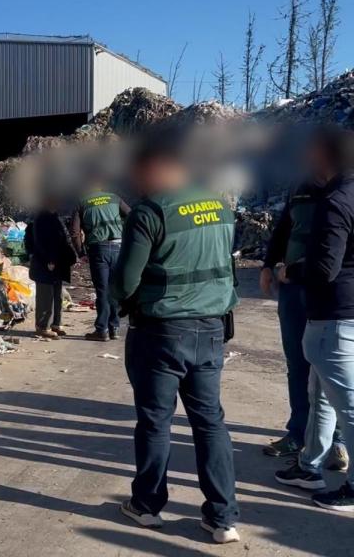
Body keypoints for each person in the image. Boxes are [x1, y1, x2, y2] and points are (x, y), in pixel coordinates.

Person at [110, 135, 241, 543]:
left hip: (162, 332)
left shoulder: (150, 212)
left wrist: (119, 299)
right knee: (210, 422)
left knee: (155, 421)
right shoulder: (220, 206)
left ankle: (147, 506)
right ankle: (222, 518)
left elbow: (125, 281)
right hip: (212, 328)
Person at [273, 126, 354, 511]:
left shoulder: (335, 200)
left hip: (334, 314)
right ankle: (310, 466)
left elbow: (324, 268)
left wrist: (291, 271)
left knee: (347, 404)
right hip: (340, 312)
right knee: (319, 391)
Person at [259, 165, 348, 468]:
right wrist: (268, 264)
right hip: (293, 288)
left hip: (331, 291)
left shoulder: (345, 189)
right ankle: (298, 433)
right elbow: (284, 226)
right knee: (297, 362)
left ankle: (338, 442)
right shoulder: (300, 183)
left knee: (333, 370)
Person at [72, 184, 130, 341]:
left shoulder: (82, 203)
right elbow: (132, 216)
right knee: (114, 288)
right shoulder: (114, 198)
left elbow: (75, 232)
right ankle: (114, 328)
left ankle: (102, 330)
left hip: (98, 249)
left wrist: (81, 253)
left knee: (102, 290)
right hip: (118, 247)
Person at [25, 198, 77, 338]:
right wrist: (49, 260)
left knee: (57, 296)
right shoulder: (42, 219)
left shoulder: (54, 218)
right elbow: (41, 243)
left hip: (57, 264)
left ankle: (56, 324)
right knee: (45, 297)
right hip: (46, 264)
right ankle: (43, 326)